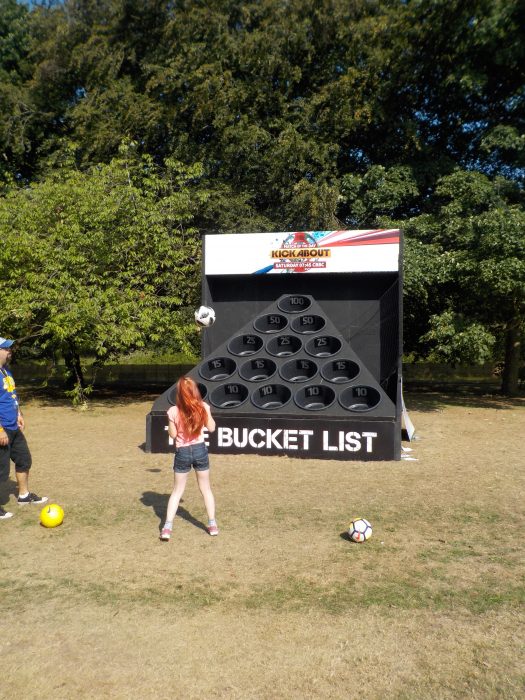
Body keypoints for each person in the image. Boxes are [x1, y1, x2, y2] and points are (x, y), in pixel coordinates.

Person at [160, 376, 218, 540]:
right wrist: (207, 411)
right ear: (194, 391)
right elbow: (212, 428)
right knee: (206, 489)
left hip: (182, 452)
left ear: (179, 393)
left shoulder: (173, 411)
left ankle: (167, 527)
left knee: (177, 491)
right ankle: (212, 524)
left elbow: (173, 434)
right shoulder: (203, 407)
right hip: (200, 450)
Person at [0, 337, 47, 520]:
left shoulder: (6, 371)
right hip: (2, 430)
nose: (10, 352)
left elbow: (12, 395)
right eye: (6, 349)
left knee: (24, 460)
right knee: (1, 471)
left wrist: (19, 413)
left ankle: (24, 496)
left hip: (13, 427)